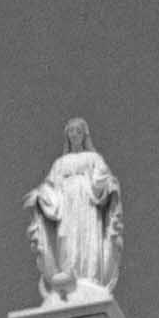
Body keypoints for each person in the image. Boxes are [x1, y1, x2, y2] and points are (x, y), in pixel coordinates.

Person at [25, 119, 123, 301]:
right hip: (66, 204)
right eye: (71, 132)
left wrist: (109, 185)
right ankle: (68, 273)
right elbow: (50, 186)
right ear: (67, 136)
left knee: (86, 236)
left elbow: (103, 178)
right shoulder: (60, 162)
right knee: (67, 237)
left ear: (84, 135)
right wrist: (40, 196)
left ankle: (87, 274)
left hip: (87, 202)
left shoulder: (93, 158)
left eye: (78, 131)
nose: (74, 135)